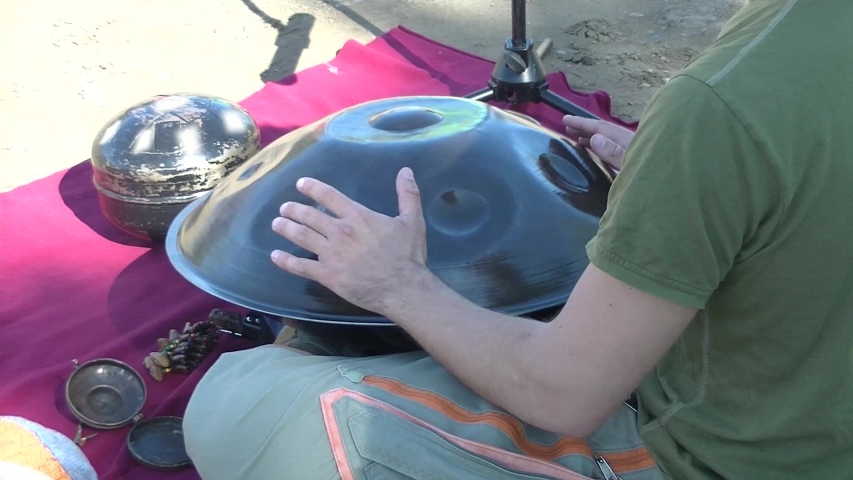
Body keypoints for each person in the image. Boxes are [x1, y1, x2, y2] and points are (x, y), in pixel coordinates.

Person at [182, 1, 853, 479]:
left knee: (239, 401)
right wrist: (683, 181)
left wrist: (398, 285)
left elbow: (563, 395)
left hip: (722, 458)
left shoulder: (730, 99)